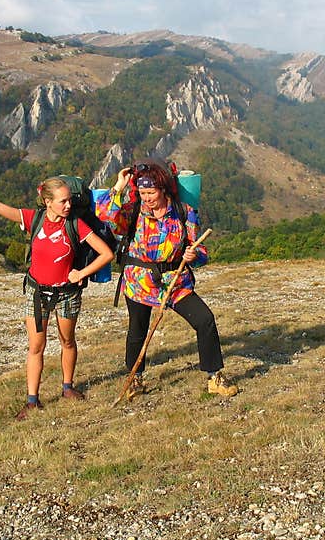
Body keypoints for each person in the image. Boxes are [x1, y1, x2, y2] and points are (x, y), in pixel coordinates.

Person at [0, 159, 114, 417]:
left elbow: (106, 253)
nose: (68, 206)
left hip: (67, 292)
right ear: (47, 201)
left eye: (69, 201)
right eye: (63, 201)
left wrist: (81, 274)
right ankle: (32, 400)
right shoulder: (35, 219)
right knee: (36, 346)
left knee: (67, 341)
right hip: (37, 292)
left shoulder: (76, 224)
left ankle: (67, 387)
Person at [95, 157, 238, 399]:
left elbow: (200, 250)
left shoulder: (184, 212)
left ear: (163, 189)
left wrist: (194, 255)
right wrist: (119, 185)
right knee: (137, 330)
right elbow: (104, 214)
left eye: (151, 192)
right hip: (139, 281)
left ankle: (214, 376)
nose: (147, 198)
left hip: (175, 281)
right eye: (142, 192)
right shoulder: (132, 212)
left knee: (205, 320)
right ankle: (135, 378)